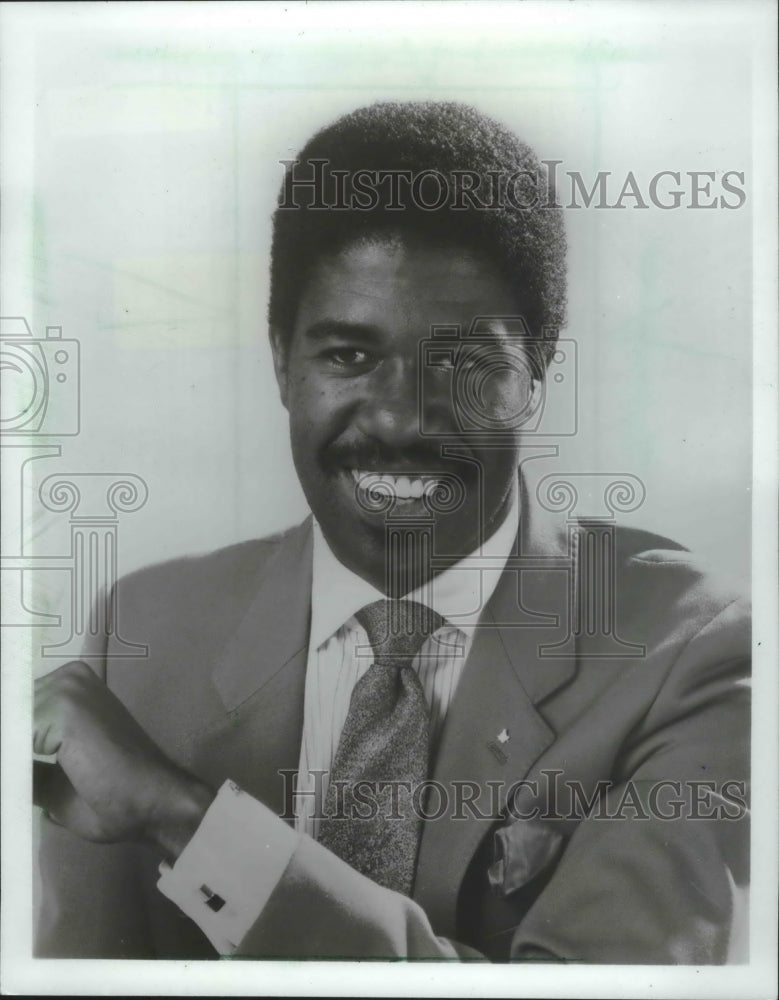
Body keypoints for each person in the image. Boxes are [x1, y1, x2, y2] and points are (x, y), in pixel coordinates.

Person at [34, 101, 750, 962]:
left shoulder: (692, 652)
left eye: (462, 364)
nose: (400, 420)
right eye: (347, 356)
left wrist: (183, 818)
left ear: (537, 377)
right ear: (279, 362)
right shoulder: (143, 628)